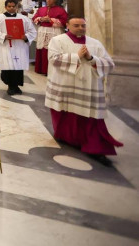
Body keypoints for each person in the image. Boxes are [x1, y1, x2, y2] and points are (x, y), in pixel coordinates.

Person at [45, 17, 123, 166]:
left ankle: (96, 148)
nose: (80, 28)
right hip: (65, 85)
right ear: (67, 25)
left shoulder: (95, 43)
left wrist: (92, 59)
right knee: (64, 114)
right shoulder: (57, 40)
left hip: (88, 87)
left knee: (91, 119)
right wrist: (77, 57)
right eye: (76, 25)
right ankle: (68, 138)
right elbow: (53, 59)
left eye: (83, 25)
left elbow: (109, 63)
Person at [0, 0, 37, 95]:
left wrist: (26, 37)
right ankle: (10, 86)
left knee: (18, 67)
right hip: (6, 46)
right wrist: (3, 36)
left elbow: (32, 31)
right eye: (9, 6)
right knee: (8, 66)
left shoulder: (23, 18)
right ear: (5, 7)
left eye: (13, 6)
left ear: (16, 7)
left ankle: (16, 86)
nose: (11, 8)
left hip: (19, 46)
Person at [31, 0, 69, 75]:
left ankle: (50, 71)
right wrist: (41, 19)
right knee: (42, 50)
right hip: (42, 31)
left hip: (54, 31)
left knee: (52, 50)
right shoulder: (41, 9)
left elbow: (65, 21)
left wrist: (50, 20)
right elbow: (34, 18)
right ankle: (41, 69)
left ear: (54, 0)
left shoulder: (60, 10)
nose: (48, 0)